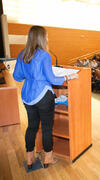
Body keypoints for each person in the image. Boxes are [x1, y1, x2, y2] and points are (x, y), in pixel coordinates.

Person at [13, 26, 78, 169]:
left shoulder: (21, 54)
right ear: (42, 38)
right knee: (47, 128)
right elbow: (52, 78)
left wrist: (29, 75)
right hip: (43, 96)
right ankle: (48, 157)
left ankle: (30, 158)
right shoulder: (44, 55)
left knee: (32, 127)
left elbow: (17, 76)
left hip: (27, 96)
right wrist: (68, 76)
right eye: (46, 36)